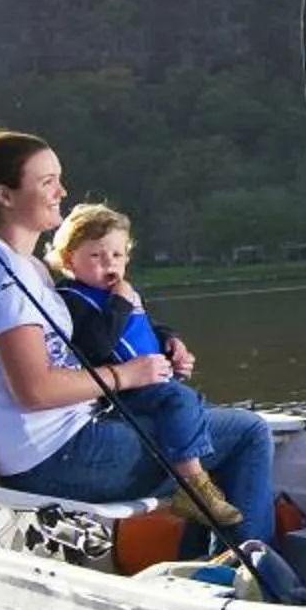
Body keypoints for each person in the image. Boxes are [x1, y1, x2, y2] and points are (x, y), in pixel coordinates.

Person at [0, 130, 276, 539]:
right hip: (58, 458)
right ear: (5, 196)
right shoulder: (1, 278)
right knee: (247, 434)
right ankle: (253, 572)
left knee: (195, 424)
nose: (61, 191)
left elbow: (84, 346)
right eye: (47, 181)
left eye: (59, 178)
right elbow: (36, 390)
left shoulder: (25, 268)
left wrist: (161, 346)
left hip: (72, 439)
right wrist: (128, 376)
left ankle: (214, 570)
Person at [46, 202, 246, 532]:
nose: (109, 263)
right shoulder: (72, 300)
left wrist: (172, 343)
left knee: (190, 401)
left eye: (117, 255)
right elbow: (96, 347)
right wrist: (120, 303)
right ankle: (194, 486)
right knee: (182, 402)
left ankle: (202, 495)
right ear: (69, 261)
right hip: (118, 394)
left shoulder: (121, 294)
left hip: (151, 384)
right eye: (96, 256)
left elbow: (146, 328)